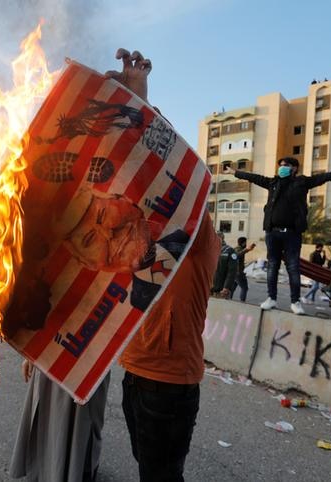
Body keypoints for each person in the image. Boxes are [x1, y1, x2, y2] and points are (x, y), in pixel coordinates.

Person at [108, 47, 220, 482]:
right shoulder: (146, 231)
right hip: (134, 370)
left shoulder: (198, 235)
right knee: (148, 468)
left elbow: (171, 165)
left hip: (170, 384)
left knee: (160, 476)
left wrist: (144, 102)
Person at [223, 157, 331, 314]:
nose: (281, 168)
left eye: (285, 165)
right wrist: (234, 172)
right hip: (273, 233)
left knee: (293, 268)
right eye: (280, 165)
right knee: (272, 267)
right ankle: (271, 298)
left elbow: (330, 175)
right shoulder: (273, 183)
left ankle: (295, 302)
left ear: (294, 168)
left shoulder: (302, 182)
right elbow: (253, 177)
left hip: (292, 234)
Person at [10, 360, 110, 482]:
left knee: (80, 427)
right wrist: (31, 354)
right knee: (46, 418)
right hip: (50, 356)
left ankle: (77, 471)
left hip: (87, 361)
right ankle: (47, 469)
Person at [211, 231, 238, 298]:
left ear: (221, 238)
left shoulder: (229, 251)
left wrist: (227, 287)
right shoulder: (209, 249)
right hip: (207, 290)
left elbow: (232, 271)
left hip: (220, 291)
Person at [231, 236, 256, 302]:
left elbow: (242, 252)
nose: (246, 245)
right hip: (238, 273)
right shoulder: (238, 249)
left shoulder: (237, 248)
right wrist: (246, 249)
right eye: (245, 243)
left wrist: (249, 249)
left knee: (232, 288)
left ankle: (228, 300)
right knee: (244, 288)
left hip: (235, 272)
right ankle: (242, 302)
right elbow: (238, 255)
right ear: (243, 243)